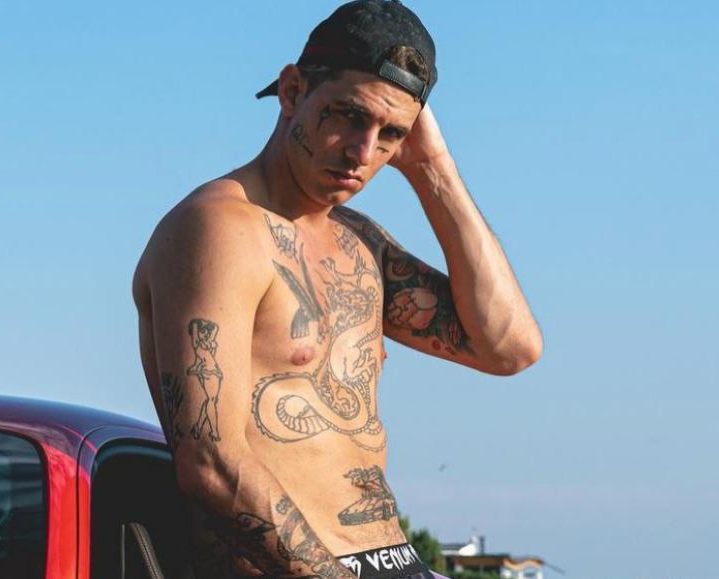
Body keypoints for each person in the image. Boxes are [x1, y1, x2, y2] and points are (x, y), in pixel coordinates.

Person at [133, 1, 542, 577]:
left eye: (391, 134)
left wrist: (433, 169)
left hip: (397, 561)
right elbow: (211, 463)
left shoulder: (358, 243)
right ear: (292, 91)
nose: (363, 153)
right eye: (349, 116)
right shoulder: (220, 229)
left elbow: (509, 348)